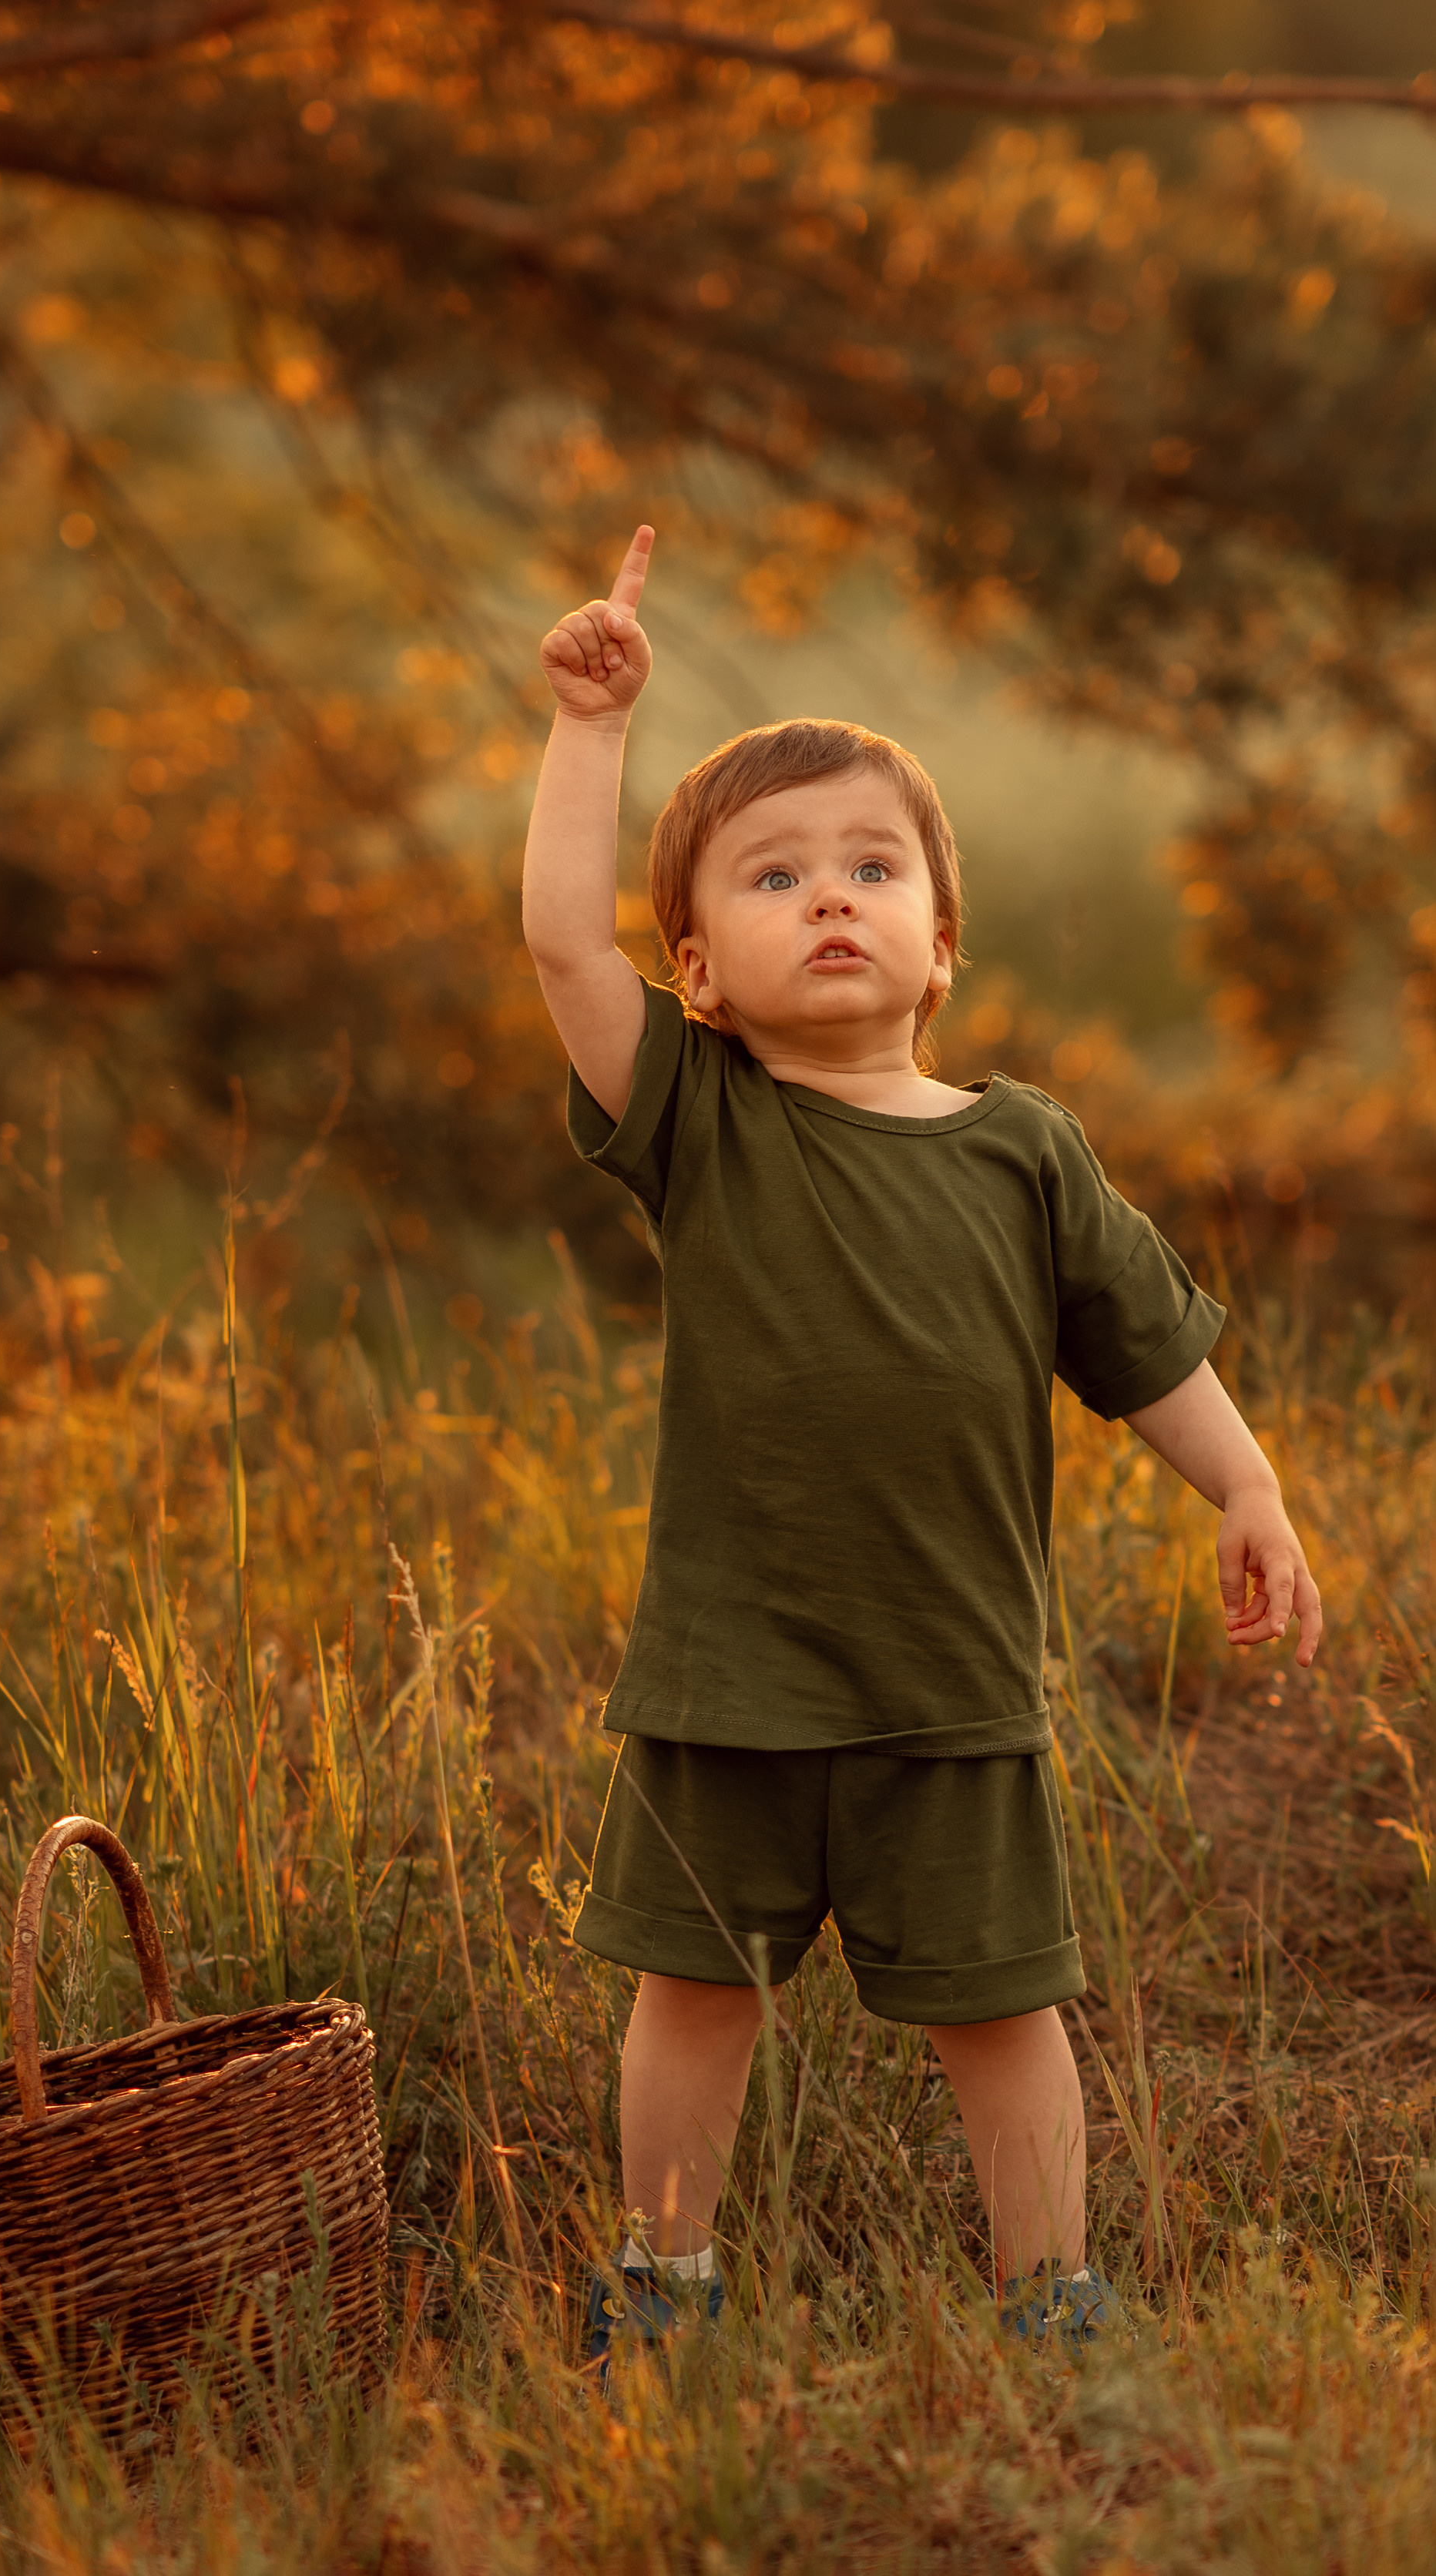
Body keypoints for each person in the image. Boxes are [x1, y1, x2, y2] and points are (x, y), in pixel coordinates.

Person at [522, 525, 1323, 2375]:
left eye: (869, 867)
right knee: (691, 1991)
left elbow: (1141, 1346)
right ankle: (659, 2285)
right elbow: (561, 934)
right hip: (729, 1673)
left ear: (938, 937)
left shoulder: (1018, 1148)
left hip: (950, 1676)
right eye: (773, 873)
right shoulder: (698, 1119)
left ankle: (1048, 2293)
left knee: (1004, 2006)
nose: (829, 896)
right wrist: (588, 729)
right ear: (698, 967)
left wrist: (1247, 1483)